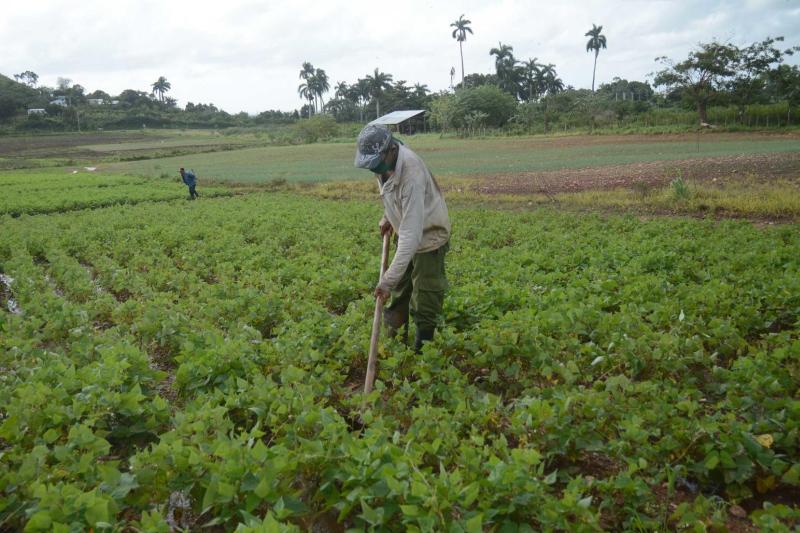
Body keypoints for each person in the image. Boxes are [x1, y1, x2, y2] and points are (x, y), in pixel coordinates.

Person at [354, 124, 451, 353]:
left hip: (428, 236)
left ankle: (422, 351)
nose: (373, 169)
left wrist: (385, 281)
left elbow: (411, 235)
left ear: (390, 151)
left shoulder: (412, 173)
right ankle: (395, 346)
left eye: (375, 163)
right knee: (400, 292)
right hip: (408, 230)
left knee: (425, 296)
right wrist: (388, 216)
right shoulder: (383, 164)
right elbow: (392, 194)